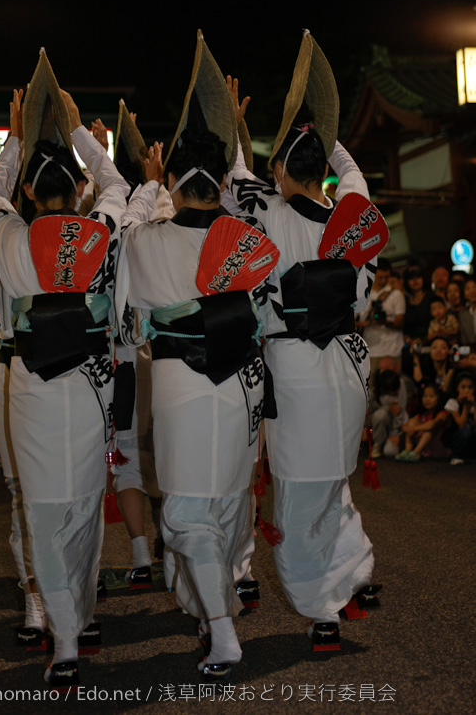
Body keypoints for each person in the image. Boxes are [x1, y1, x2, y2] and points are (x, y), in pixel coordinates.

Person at [0, 80, 130, 691]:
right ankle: (79, 619)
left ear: (30, 190)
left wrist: (14, 141)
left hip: (30, 381)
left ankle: (63, 639)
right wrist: (86, 139)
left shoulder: (5, 234)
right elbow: (119, 189)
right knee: (83, 506)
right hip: (89, 381)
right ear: (78, 189)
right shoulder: (101, 231)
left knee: (43, 508)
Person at [227, 51, 376, 653]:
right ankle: (353, 573)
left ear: (281, 169)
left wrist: (235, 129)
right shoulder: (353, 211)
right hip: (348, 362)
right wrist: (326, 130)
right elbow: (353, 170)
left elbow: (236, 180)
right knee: (332, 479)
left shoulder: (266, 210)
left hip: (293, 366)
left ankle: (323, 611)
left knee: (297, 488)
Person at [116, 120, 279, 675]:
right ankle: (216, 607)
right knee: (231, 499)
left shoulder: (148, 239)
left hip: (182, 382)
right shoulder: (249, 236)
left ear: (178, 183)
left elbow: (131, 316)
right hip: (243, 379)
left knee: (186, 510)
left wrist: (148, 185)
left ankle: (224, 632)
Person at [358, 258, 405, 376]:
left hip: (393, 350)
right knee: (373, 390)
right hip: (371, 350)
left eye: (386, 277)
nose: (383, 280)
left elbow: (401, 322)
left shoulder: (396, 294)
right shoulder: (363, 294)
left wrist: (385, 322)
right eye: (380, 277)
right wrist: (364, 324)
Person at [394, 383, 448, 461]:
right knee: (413, 421)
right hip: (425, 448)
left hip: (437, 447)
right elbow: (404, 426)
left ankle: (416, 452)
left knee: (429, 430)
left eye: (431, 396)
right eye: (425, 396)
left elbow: (432, 424)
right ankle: (407, 451)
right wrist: (408, 428)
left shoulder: (443, 414)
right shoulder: (422, 414)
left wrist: (414, 429)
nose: (427, 399)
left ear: (439, 398)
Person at [444, 372, 476, 465]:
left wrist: (474, 405)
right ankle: (456, 456)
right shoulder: (453, 402)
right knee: (466, 432)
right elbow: (461, 425)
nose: (467, 391)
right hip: (457, 436)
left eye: (470, 387)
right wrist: (466, 406)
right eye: (463, 387)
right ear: (457, 388)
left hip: (472, 439)